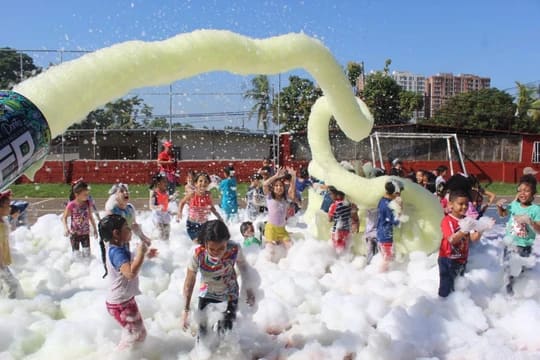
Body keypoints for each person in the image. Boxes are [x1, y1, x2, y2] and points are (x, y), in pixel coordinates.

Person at [181, 220, 256, 339]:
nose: (217, 253)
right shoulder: (198, 254)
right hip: (207, 293)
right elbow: (189, 282)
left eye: (221, 248)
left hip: (230, 293)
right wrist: (185, 310)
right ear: (205, 244)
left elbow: (244, 268)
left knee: (226, 332)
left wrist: (249, 289)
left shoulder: (234, 249)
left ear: (227, 241)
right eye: (212, 249)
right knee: (203, 333)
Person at [98, 214, 158, 350]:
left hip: (124, 301)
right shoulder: (116, 252)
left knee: (138, 335)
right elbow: (130, 273)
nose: (130, 230)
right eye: (127, 228)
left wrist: (146, 254)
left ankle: (128, 354)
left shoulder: (119, 246)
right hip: (120, 304)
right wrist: (141, 254)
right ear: (116, 233)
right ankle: (118, 355)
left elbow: (130, 259)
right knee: (136, 335)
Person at [496, 174, 540, 295]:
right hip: (510, 244)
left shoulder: (535, 209)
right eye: (520, 190)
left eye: (526, 190)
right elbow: (503, 214)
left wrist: (529, 221)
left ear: (533, 193)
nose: (522, 193)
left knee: (521, 272)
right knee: (508, 271)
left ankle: (520, 294)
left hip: (523, 246)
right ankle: (508, 295)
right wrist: (499, 207)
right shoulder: (515, 204)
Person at [438, 190, 482, 297]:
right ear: (450, 205)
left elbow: (473, 238)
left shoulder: (467, 220)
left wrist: (482, 229)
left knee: (458, 286)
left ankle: (456, 305)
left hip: (461, 258)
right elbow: (451, 239)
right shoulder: (447, 220)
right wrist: (463, 230)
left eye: (466, 204)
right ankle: (443, 306)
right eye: (460, 204)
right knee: (446, 286)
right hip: (448, 259)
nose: (464, 207)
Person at [262, 167, 296, 261]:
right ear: (272, 188)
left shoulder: (285, 200)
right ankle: (268, 268)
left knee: (291, 248)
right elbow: (265, 184)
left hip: (282, 230)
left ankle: (289, 267)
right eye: (276, 186)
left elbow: (292, 192)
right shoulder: (269, 197)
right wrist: (275, 176)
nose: (279, 187)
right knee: (270, 252)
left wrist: (293, 176)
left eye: (281, 186)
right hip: (271, 229)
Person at [178, 172, 223, 242]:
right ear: (195, 183)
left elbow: (211, 207)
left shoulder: (208, 195)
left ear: (208, 184)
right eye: (200, 181)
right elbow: (182, 202)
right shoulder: (192, 193)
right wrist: (179, 213)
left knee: (206, 242)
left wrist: (219, 216)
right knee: (197, 242)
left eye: (206, 181)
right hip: (192, 224)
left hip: (204, 224)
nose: (203, 183)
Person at [105, 183, 152, 247]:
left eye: (126, 191)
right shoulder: (112, 210)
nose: (125, 192)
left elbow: (134, 226)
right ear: (115, 196)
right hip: (114, 244)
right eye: (121, 191)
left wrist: (143, 238)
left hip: (126, 242)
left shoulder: (130, 209)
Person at [62, 180, 98, 259]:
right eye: (85, 194)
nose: (87, 196)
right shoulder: (72, 204)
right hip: (74, 234)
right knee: (76, 256)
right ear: (77, 194)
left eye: (87, 194)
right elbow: (64, 218)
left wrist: (95, 229)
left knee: (87, 255)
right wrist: (66, 228)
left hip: (85, 233)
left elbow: (90, 217)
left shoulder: (88, 203)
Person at [376, 180, 404, 272]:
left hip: (381, 233)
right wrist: (400, 208)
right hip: (386, 235)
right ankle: (382, 277)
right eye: (398, 194)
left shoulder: (383, 200)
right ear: (395, 192)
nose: (399, 196)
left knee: (386, 258)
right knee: (388, 259)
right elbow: (396, 222)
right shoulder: (388, 205)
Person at [0, 190, 20, 299]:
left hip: (2, 262)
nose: (10, 207)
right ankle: (10, 306)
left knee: (4, 287)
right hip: (0, 263)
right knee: (13, 285)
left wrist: (14, 219)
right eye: (7, 205)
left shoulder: (3, 221)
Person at [327, 187, 357, 255]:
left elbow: (329, 219)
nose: (330, 196)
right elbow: (353, 215)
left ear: (337, 195)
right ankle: (344, 261)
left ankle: (338, 263)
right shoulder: (349, 204)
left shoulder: (334, 205)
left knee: (336, 249)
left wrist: (332, 216)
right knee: (344, 247)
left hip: (337, 230)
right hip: (346, 229)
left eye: (331, 194)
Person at [149, 173, 172, 241]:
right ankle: (152, 241)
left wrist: (171, 199)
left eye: (166, 181)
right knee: (160, 232)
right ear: (158, 183)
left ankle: (165, 248)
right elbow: (151, 206)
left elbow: (165, 201)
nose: (166, 183)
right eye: (164, 181)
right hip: (157, 214)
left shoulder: (166, 192)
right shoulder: (154, 192)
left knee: (167, 233)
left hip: (165, 214)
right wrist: (158, 207)